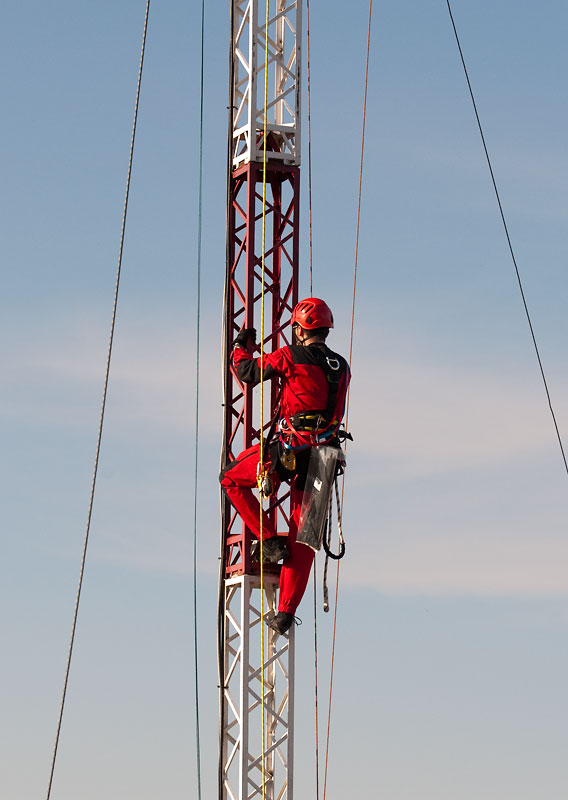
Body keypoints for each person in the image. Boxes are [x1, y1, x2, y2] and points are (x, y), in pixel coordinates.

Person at [220, 297, 350, 634]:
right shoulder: (342, 366)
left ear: (300, 329)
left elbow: (247, 372)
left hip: (289, 449)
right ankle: (286, 613)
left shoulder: (289, 356)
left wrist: (240, 347)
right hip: (324, 458)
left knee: (230, 478)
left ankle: (268, 539)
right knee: (304, 537)